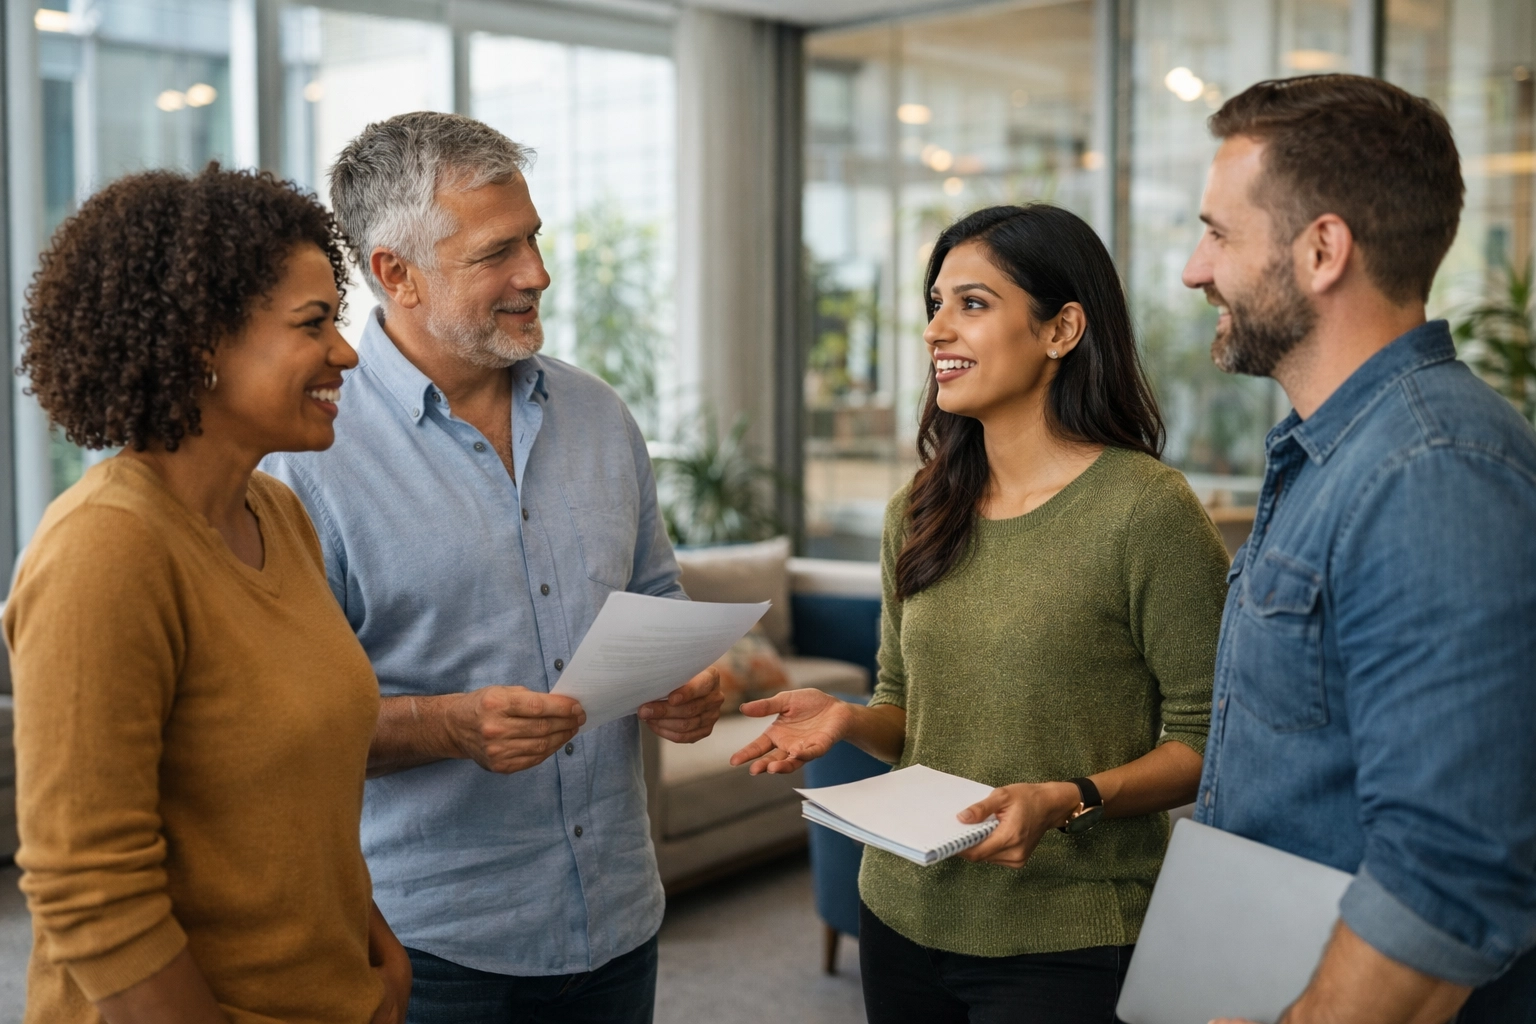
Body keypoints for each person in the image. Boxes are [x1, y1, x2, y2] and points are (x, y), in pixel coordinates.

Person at [261, 112, 721, 1024]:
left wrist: (687, 678)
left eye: (535, 239)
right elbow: (281, 730)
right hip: (429, 947)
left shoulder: (601, 416)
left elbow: (658, 596)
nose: (537, 274)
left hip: (618, 918)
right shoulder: (305, 460)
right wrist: (445, 726)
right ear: (397, 274)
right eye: (497, 253)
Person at [731, 203, 1231, 1023]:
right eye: (934, 304)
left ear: (1062, 329)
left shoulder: (1148, 511)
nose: (936, 331)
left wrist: (1068, 796)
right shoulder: (921, 506)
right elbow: (905, 709)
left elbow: (1206, 741)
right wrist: (849, 721)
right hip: (898, 911)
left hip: (1065, 938)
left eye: (972, 303)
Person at [5, 165, 412, 1024]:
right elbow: (90, 889)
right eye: (314, 325)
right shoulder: (107, 549)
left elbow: (299, 792)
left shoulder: (278, 513)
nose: (345, 351)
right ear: (201, 345)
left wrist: (374, 955)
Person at [1178, 75, 1536, 1024]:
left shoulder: (1433, 471)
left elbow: (1448, 875)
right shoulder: (1336, 451)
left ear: (1322, 249)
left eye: (1217, 232)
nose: (1193, 268)